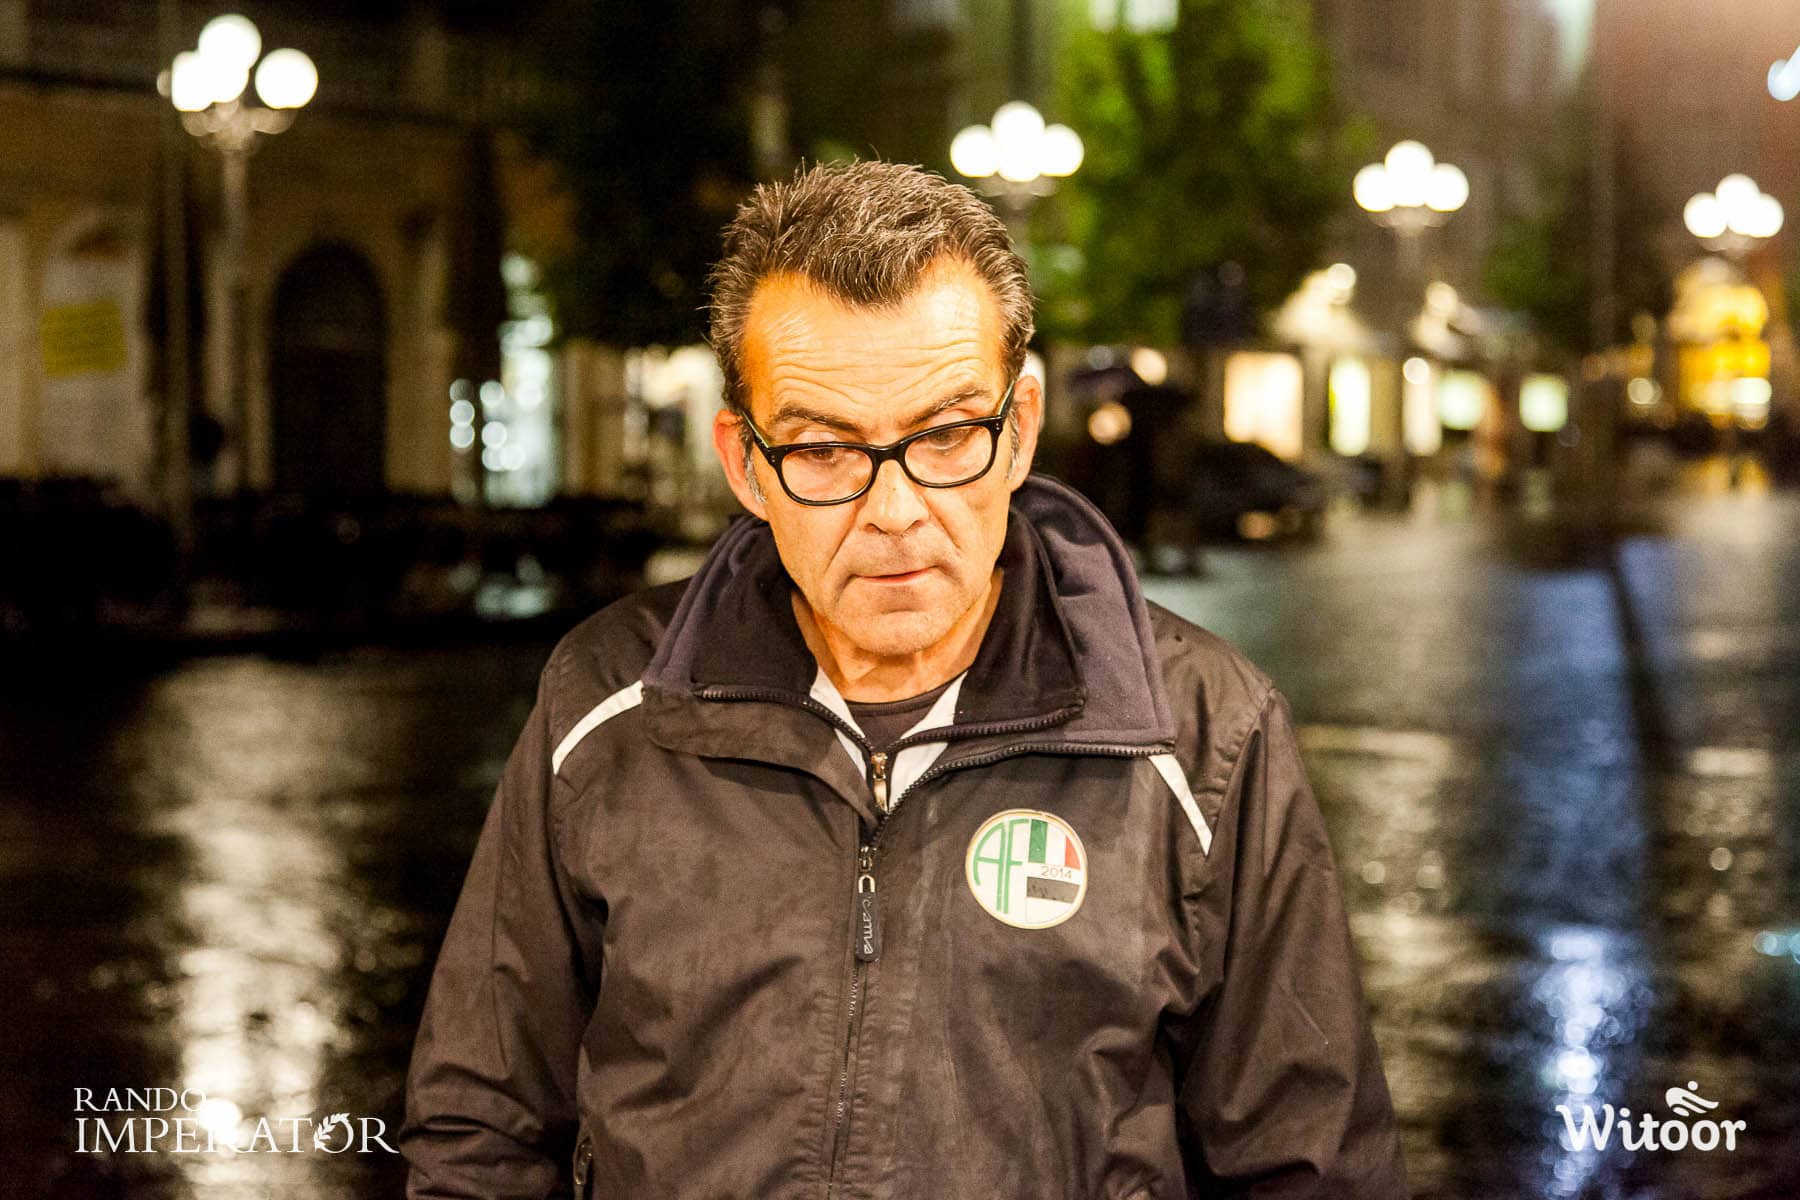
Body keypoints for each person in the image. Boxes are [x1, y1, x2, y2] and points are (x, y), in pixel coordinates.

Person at [400, 160, 1408, 1199]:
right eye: (823, 450)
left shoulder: (1201, 734)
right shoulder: (608, 704)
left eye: (947, 435)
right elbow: (480, 1126)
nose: (893, 511)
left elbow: (1313, 1167)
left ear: (1019, 430)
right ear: (745, 464)